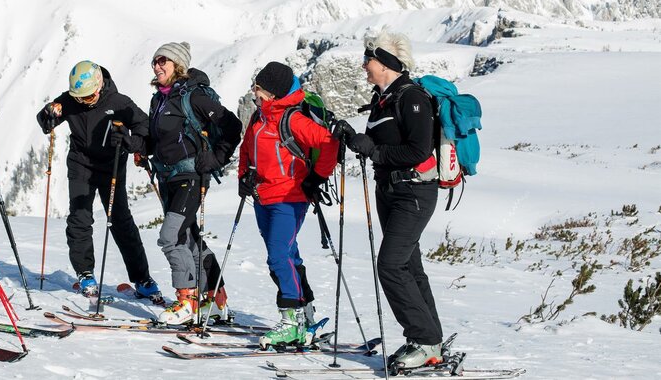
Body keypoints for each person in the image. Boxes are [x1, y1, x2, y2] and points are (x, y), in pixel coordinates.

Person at [340, 31, 444, 370]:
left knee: (391, 264)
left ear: (384, 62)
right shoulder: (382, 99)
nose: (363, 66)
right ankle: (429, 341)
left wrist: (375, 151)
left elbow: (418, 149)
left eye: (368, 60)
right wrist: (354, 138)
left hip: (413, 192)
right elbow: (377, 144)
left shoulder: (412, 97)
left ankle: (424, 339)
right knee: (410, 266)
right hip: (390, 190)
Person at [35, 61, 161, 301]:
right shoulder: (72, 99)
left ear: (99, 85)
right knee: (80, 217)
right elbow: (45, 121)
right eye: (79, 97)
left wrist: (129, 140)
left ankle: (142, 278)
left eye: (89, 96)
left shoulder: (119, 102)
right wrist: (49, 113)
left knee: (121, 221)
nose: (85, 101)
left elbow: (145, 128)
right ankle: (85, 273)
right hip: (81, 164)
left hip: (112, 166)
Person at [237, 61, 339, 349]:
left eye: (258, 89)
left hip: (289, 198)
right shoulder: (259, 117)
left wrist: (316, 178)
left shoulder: (292, 119)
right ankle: (304, 315)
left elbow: (329, 142)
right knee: (287, 256)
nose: (254, 94)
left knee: (278, 256)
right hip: (262, 196)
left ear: (272, 92)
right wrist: (244, 175)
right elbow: (246, 147)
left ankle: (290, 322)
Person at [144, 42, 242, 325]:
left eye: (163, 60)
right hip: (168, 178)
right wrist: (135, 145)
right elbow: (158, 140)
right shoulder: (159, 99)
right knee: (188, 239)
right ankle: (216, 299)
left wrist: (217, 157)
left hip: (191, 177)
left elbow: (232, 126)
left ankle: (187, 300)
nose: (157, 65)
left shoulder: (194, 96)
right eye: (155, 61)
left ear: (178, 65)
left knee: (171, 236)